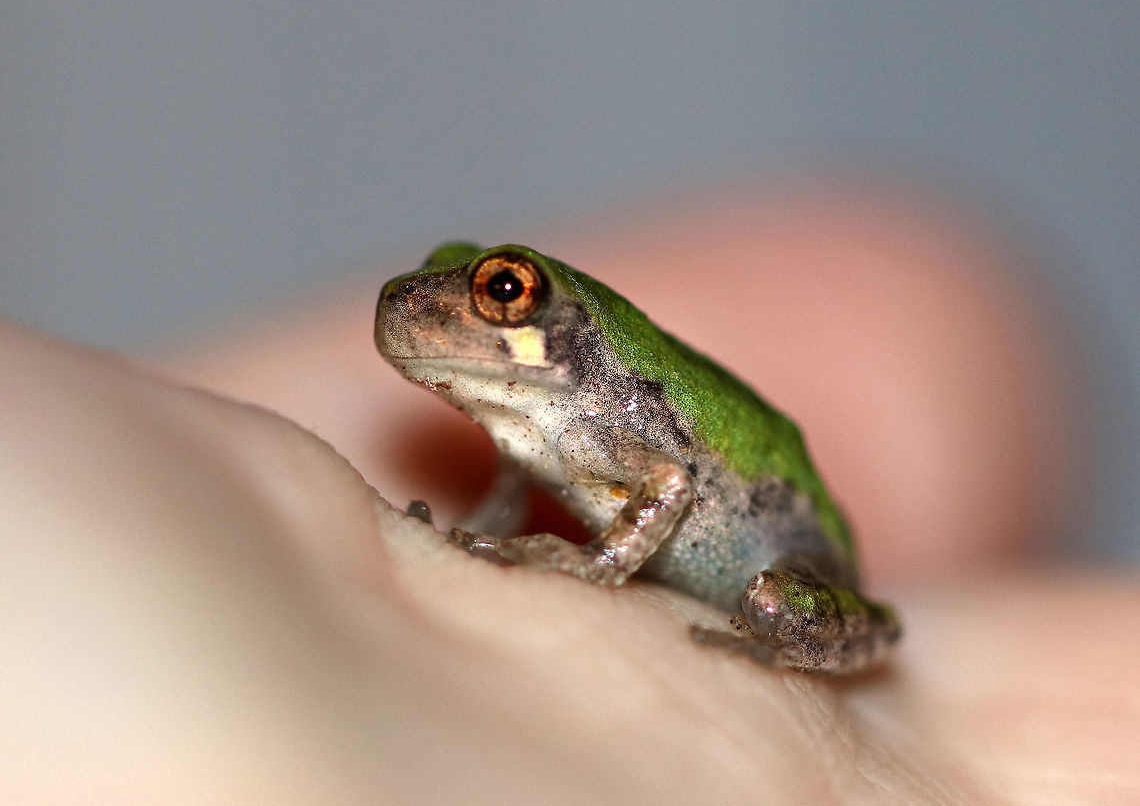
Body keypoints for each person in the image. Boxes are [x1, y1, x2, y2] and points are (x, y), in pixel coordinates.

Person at [3, 184, 1136, 803]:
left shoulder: (607, 402)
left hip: (793, 562)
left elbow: (672, 477)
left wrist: (594, 569)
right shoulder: (541, 419)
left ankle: (809, 638)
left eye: (498, 291)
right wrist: (498, 532)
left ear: (556, 325)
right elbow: (523, 471)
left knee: (776, 611)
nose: (455, 300)